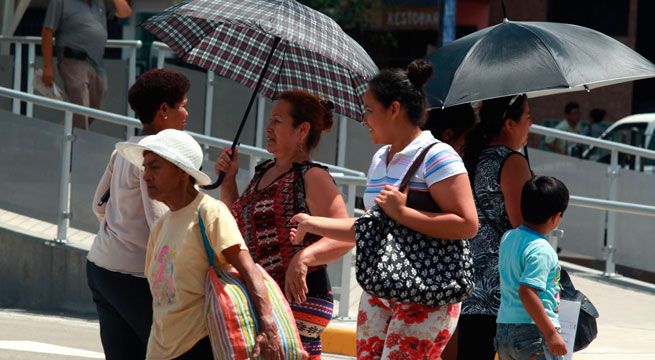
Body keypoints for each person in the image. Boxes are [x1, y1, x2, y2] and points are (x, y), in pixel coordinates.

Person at [289, 60, 479, 359]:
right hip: (381, 287)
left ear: (394, 109)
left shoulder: (439, 156)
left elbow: (467, 225)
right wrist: (312, 223)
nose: (364, 120)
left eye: (368, 110)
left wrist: (404, 213)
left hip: (428, 291)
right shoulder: (380, 159)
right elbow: (372, 226)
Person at [117, 129, 284, 359]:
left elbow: (248, 269)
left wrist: (269, 327)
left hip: (198, 347)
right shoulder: (160, 226)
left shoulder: (209, 212)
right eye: (145, 167)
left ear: (181, 172)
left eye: (155, 167)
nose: (146, 176)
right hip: (159, 351)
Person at [214, 90, 350, 359]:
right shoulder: (264, 171)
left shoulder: (313, 176)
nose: (267, 128)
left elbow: (346, 235)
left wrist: (304, 257)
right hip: (265, 293)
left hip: (299, 296)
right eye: (270, 120)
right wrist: (229, 179)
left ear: (302, 130)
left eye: (277, 121)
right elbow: (237, 223)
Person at [87, 68, 190, 359]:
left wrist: (120, 232)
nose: (186, 113)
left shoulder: (124, 149)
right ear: (163, 110)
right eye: (182, 105)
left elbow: (98, 205)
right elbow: (161, 222)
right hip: (133, 278)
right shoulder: (156, 157)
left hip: (100, 267)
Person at [458, 94, 533, 360]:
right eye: (527, 118)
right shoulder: (511, 162)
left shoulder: (472, 156)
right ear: (509, 124)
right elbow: (523, 226)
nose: (531, 124)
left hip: (469, 281)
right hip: (501, 288)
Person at [495, 176, 569, 360]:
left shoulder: (508, 238)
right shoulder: (542, 250)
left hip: (504, 329)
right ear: (555, 217)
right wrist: (551, 334)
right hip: (533, 332)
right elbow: (527, 292)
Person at [42, 0, 132, 129]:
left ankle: (65, 134)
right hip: (72, 59)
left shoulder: (99, 3)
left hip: (97, 64)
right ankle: (79, 144)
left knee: (94, 107)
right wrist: (48, 66)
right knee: (80, 103)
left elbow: (125, 12)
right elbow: (47, 31)